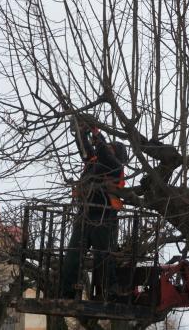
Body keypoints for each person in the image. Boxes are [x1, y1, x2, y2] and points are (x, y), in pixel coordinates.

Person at [60, 118, 127, 300]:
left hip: (104, 217)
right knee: (73, 256)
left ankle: (109, 292)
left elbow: (103, 151)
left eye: (112, 149)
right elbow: (86, 150)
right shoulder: (94, 163)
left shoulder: (114, 166)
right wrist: (82, 132)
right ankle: (67, 292)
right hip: (85, 215)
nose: (106, 150)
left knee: (103, 259)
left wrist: (96, 132)